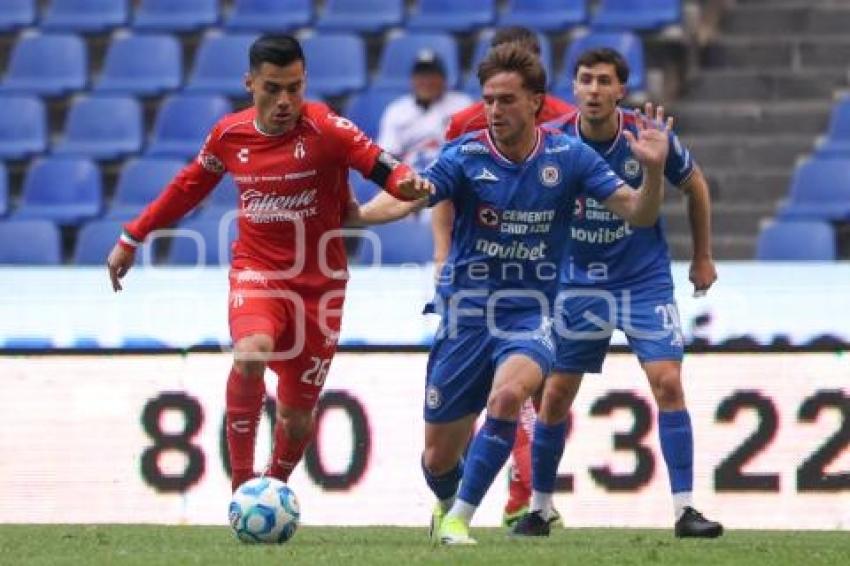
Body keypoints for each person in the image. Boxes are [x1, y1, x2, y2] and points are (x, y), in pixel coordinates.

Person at [369, 43, 671, 545]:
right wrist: (356, 217)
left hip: (531, 313)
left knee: (509, 397)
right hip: (465, 314)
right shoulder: (465, 155)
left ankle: (457, 521)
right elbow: (411, 197)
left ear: (535, 102)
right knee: (438, 459)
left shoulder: (568, 156)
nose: (493, 110)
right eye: (488, 99)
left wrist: (655, 172)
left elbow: (639, 212)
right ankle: (447, 499)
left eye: (506, 100)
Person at [106, 34, 431, 493]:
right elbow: (187, 188)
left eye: (295, 88)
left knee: (297, 418)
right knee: (250, 350)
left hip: (321, 287)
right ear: (250, 84)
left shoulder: (327, 129)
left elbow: (381, 164)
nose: (285, 101)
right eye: (273, 88)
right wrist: (132, 235)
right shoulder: (228, 135)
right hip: (258, 271)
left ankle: (273, 488)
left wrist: (407, 184)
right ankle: (242, 488)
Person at [510, 48, 723, 539]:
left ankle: (685, 510)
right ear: (574, 87)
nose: (594, 90)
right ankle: (539, 508)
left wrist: (703, 256)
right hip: (578, 281)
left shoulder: (645, 136)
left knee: (668, 382)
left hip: (642, 280)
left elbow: (697, 186)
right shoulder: (555, 141)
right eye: (586, 80)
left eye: (605, 81)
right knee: (557, 393)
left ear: (621, 91)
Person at [436, 25, 576, 527]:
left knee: (548, 388)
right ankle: (506, 491)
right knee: (502, 390)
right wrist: (440, 254)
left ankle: (532, 495)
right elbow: (446, 192)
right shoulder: (465, 125)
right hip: (480, 280)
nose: (502, 104)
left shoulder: (568, 123)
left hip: (550, 272)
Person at [377, 49, 472, 173]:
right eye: (421, 76)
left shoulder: (462, 104)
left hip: (453, 177)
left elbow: (473, 150)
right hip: (409, 179)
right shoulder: (397, 110)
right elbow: (385, 156)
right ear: (412, 80)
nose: (426, 82)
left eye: (432, 75)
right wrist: (400, 178)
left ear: (444, 79)